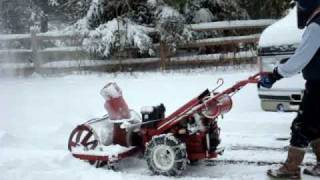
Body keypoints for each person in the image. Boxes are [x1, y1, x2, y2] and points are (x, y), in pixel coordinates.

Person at [258, 0, 320, 179]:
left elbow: (301, 59)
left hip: (318, 86)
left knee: (301, 126)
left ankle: (291, 170)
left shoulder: (316, 25)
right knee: (315, 126)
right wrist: (287, 65)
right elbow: (309, 55)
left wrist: (275, 74)